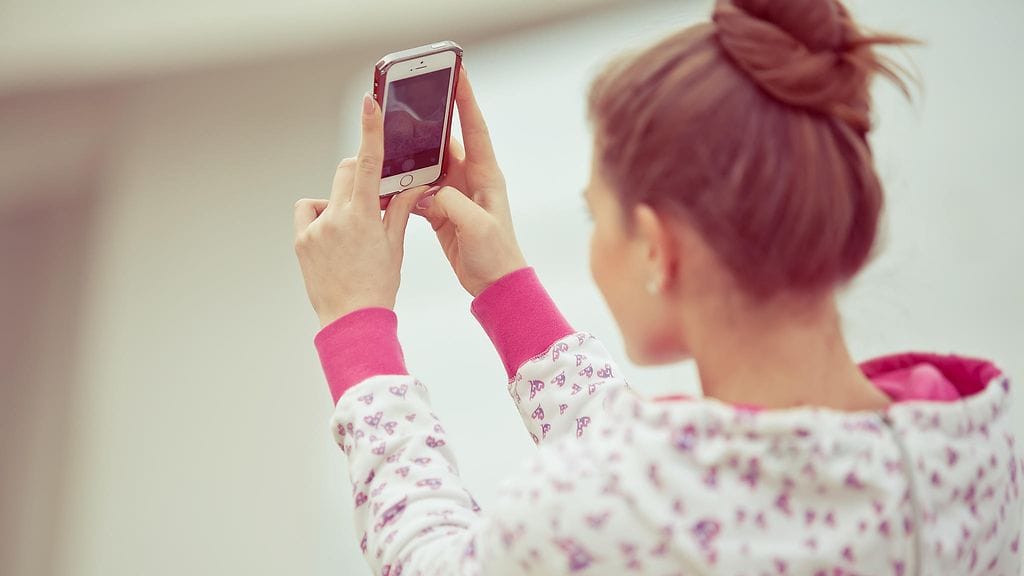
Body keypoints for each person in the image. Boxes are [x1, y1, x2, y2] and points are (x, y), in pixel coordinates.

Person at [292, 0, 1023, 573]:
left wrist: (357, 326)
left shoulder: (620, 506)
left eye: (596, 216)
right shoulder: (973, 452)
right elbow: (677, 481)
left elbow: (433, 561)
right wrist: (506, 289)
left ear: (657, 248)